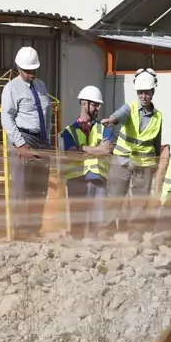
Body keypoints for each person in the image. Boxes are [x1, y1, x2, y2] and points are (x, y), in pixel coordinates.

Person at [102, 68, 169, 231]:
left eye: (147, 92)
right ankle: (107, 230)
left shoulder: (158, 117)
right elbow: (120, 114)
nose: (143, 96)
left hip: (144, 164)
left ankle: (135, 235)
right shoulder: (129, 108)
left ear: (153, 92)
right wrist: (111, 120)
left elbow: (156, 142)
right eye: (140, 92)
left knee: (140, 202)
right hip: (122, 160)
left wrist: (156, 164)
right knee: (114, 197)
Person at [0, 46, 54, 239]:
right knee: (22, 189)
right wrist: (20, 144)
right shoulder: (11, 88)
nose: (31, 74)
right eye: (27, 71)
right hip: (24, 139)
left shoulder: (41, 86)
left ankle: (34, 229)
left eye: (33, 70)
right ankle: (21, 230)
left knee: (39, 188)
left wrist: (47, 137)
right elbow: (7, 118)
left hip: (41, 141)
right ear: (18, 69)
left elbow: (47, 113)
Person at [59, 85, 114, 237]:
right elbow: (71, 154)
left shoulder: (103, 128)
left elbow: (107, 150)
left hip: (98, 179)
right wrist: (96, 149)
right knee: (78, 223)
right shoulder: (69, 131)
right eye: (95, 104)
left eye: (98, 105)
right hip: (76, 180)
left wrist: (82, 148)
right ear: (84, 103)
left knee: (99, 224)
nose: (97, 108)